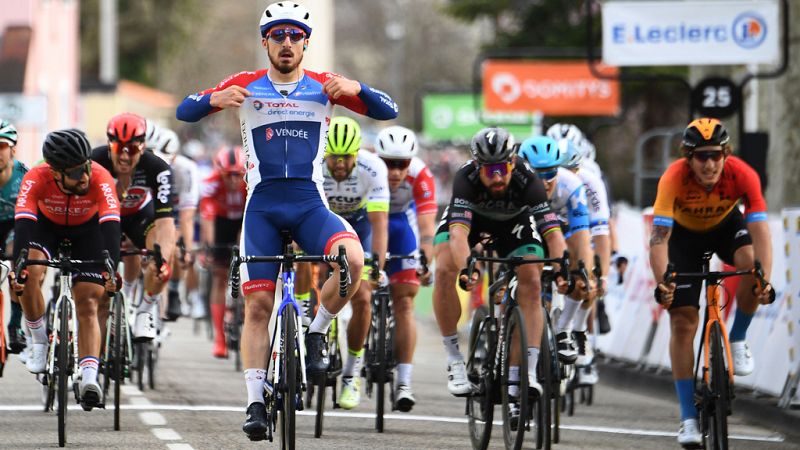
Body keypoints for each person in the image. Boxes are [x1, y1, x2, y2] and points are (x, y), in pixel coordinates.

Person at [174, 1, 398, 439]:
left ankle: (317, 332)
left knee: (352, 259)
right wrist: (212, 100)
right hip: (262, 207)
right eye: (278, 36)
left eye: (296, 36)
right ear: (266, 42)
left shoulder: (325, 86)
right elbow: (185, 110)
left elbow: (386, 110)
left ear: (306, 43)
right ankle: (256, 402)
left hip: (309, 204)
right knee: (257, 305)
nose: (287, 43)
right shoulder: (246, 83)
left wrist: (357, 87)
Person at [648, 118, 773, 447]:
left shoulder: (742, 174)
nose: (710, 164)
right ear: (688, 157)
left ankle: (738, 338)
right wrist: (663, 283)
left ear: (726, 155)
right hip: (683, 238)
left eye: (716, 155)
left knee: (750, 265)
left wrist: (764, 279)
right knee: (683, 321)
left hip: (725, 227)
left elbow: (761, 230)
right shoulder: (673, 177)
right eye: (701, 156)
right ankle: (688, 418)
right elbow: (659, 239)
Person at [432, 127, 567, 405]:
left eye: (503, 167)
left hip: (513, 224)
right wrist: (466, 267)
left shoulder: (527, 179)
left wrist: (563, 268)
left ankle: (526, 374)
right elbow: (458, 234)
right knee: (445, 266)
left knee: (531, 279)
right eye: (490, 169)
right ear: (479, 166)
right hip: (473, 221)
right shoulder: (465, 178)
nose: (497, 176)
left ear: (513, 162)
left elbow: (552, 233)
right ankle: (455, 360)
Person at [12, 129, 120, 410]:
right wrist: (20, 267)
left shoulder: (100, 176)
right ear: (56, 172)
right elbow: (23, 222)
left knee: (89, 299)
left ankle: (89, 376)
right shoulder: (36, 177)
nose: (83, 176)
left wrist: (111, 270)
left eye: (85, 167)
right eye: (74, 173)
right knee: (29, 273)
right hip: (47, 229)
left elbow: (110, 226)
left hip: (88, 231)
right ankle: (38, 342)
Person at [307, 116, 389, 410]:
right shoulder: (314, 166)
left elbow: (379, 224)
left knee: (363, 295)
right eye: (334, 158)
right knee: (308, 271)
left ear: (357, 153)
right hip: (324, 223)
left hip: (360, 226)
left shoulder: (373, 168)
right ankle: (309, 322)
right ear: (324, 154)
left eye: (346, 157)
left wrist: (377, 264)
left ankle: (351, 373)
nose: (340, 164)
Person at [92, 113, 175, 342]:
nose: (126, 155)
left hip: (140, 218)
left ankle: (146, 309)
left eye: (133, 148)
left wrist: (163, 262)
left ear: (144, 146)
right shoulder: (95, 161)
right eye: (120, 147)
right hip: (105, 219)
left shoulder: (158, 168)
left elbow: (166, 222)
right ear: (110, 144)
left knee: (162, 255)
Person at [374, 125, 436, 412]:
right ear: (378, 157)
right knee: (359, 289)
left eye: (402, 165)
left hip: (400, 226)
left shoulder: (421, 175)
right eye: (389, 163)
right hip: (370, 223)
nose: (395, 172)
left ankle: (404, 382)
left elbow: (426, 226)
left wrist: (425, 258)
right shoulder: (366, 166)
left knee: (405, 302)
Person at [518, 136, 597, 364]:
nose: (544, 182)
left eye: (549, 173)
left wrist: (582, 272)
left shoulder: (571, 185)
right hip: (526, 232)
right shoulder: (516, 185)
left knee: (581, 274)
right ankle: (504, 332)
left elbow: (583, 235)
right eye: (537, 174)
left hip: (561, 233)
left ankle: (564, 329)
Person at [559, 137, 611, 385]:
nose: (567, 177)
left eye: (572, 171)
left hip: (578, 226)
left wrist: (602, 276)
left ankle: (578, 329)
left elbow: (601, 232)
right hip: (548, 225)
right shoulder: (537, 180)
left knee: (588, 275)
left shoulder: (590, 181)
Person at [149, 125, 200, 321]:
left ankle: (173, 289)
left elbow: (186, 217)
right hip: (153, 207)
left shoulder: (186, 169)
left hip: (178, 211)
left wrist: (187, 249)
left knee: (176, 248)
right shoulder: (146, 165)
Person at [199, 146, 247, 358]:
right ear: (220, 173)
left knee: (248, 272)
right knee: (219, 276)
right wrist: (209, 248)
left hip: (243, 221)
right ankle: (220, 338)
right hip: (220, 224)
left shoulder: (251, 183)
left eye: (239, 175)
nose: (234, 180)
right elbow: (208, 220)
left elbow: (253, 219)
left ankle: (244, 316)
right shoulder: (211, 184)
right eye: (229, 175)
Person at [0, 119, 29, 354]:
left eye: (1, 146)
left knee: (16, 262)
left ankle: (15, 325)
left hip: (14, 225)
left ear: (12, 149)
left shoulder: (24, 176)